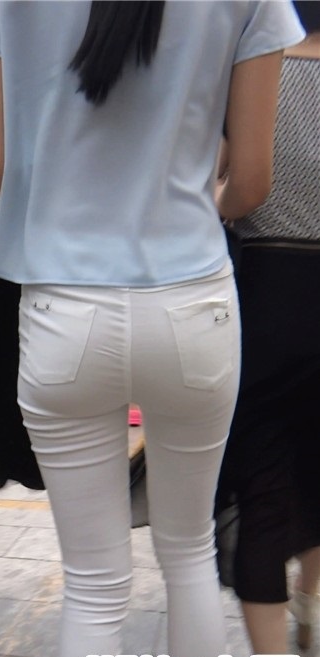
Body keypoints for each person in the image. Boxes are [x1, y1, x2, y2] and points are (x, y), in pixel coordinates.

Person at [0, 2, 304, 656]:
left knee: (92, 584)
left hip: (64, 306)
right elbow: (252, 182)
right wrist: (200, 203)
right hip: (193, 302)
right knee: (189, 550)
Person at [215, 1, 320, 653]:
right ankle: (313, 604)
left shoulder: (256, 72)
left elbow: (233, 182)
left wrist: (219, 207)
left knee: (264, 481)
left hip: (268, 290)